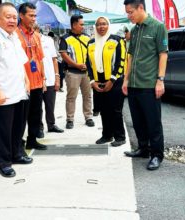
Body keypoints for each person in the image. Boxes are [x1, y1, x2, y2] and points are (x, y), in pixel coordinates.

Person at [0, 2, 33, 178]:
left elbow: (21, 63)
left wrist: (26, 81)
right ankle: (3, 162)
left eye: (14, 17)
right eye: (8, 16)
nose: (12, 20)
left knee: (19, 127)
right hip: (4, 94)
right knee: (4, 130)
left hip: (19, 92)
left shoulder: (14, 37)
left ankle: (17, 154)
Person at [122, 0, 168, 171]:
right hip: (134, 83)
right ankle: (143, 149)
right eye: (127, 12)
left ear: (141, 8)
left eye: (131, 12)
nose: (129, 15)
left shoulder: (158, 27)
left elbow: (163, 55)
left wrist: (160, 80)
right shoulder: (134, 30)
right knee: (138, 120)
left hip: (149, 84)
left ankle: (157, 155)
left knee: (153, 121)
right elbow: (131, 56)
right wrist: (126, 80)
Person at [86, 16, 127, 147]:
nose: (101, 27)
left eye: (104, 24)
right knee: (103, 109)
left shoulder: (117, 40)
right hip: (98, 81)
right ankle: (107, 135)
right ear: (95, 27)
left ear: (108, 25)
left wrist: (112, 80)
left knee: (115, 110)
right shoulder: (91, 43)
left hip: (114, 81)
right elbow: (88, 63)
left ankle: (120, 137)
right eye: (98, 25)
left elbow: (121, 61)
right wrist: (92, 81)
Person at [16, 2, 47, 150]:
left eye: (35, 15)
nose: (34, 18)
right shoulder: (15, 34)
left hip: (37, 82)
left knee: (36, 113)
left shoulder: (36, 35)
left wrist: (44, 79)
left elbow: (40, 59)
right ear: (21, 16)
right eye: (30, 15)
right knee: (21, 116)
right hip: (22, 83)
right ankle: (18, 144)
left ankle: (32, 139)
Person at [59, 15, 95, 129]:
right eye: (81, 24)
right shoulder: (65, 38)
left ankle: (88, 117)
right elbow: (63, 54)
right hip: (72, 72)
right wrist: (76, 65)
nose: (83, 27)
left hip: (86, 73)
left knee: (88, 96)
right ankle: (70, 119)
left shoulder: (87, 37)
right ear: (74, 25)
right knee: (71, 97)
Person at [33, 25, 64, 134]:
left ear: (38, 30)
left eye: (34, 30)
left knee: (50, 104)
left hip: (50, 78)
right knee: (37, 107)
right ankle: (39, 128)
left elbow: (54, 60)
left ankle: (51, 124)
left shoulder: (48, 40)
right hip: (35, 80)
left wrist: (57, 77)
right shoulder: (28, 41)